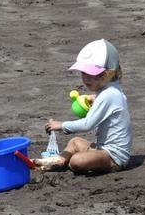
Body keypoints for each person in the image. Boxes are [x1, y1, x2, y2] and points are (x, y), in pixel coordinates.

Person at [41, 38, 132, 173]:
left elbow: (88, 124)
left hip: (114, 156)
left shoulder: (108, 95)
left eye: (92, 74)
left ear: (108, 73)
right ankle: (58, 161)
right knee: (75, 142)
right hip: (102, 149)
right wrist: (92, 99)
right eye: (83, 73)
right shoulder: (112, 91)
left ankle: (66, 161)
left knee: (77, 161)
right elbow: (108, 102)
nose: (86, 79)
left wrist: (61, 125)